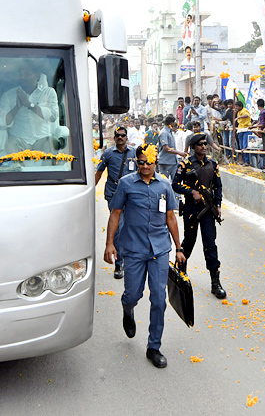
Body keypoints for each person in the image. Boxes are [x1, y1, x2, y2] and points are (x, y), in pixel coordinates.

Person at [103, 144, 185, 369]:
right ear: (136, 162)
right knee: (133, 294)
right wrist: (110, 243)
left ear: (155, 162)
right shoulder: (126, 184)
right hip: (134, 249)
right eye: (141, 161)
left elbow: (171, 217)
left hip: (159, 250)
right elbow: (116, 214)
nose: (145, 165)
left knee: (159, 298)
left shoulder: (165, 185)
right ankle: (126, 308)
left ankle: (154, 346)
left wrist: (178, 248)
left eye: (149, 161)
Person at [172, 133, 227, 300]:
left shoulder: (213, 164)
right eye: (200, 144)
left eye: (205, 144)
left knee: (210, 243)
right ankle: (181, 270)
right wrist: (191, 191)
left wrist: (218, 205)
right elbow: (175, 184)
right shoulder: (185, 164)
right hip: (191, 208)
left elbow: (218, 186)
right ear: (194, 147)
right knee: (189, 240)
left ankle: (215, 282)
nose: (204, 146)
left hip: (208, 209)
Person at [0, 61, 60, 156]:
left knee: (51, 143)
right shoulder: (9, 95)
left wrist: (30, 105)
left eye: (27, 74)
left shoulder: (49, 92)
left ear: (37, 75)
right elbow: (1, 124)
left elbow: (53, 116)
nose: (23, 77)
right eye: (21, 74)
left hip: (42, 139)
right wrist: (17, 108)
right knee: (9, 145)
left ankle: (48, 171)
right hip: (19, 140)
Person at [95, 126, 137, 280]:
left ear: (127, 137)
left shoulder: (134, 153)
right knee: (118, 227)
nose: (120, 138)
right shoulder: (107, 154)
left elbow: (144, 172)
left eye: (123, 135)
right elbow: (98, 173)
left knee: (130, 226)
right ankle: (119, 264)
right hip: (113, 194)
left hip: (131, 195)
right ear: (114, 138)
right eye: (118, 135)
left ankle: (131, 259)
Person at [158, 115, 187, 181]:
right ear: (171, 123)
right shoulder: (164, 132)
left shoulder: (170, 132)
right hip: (166, 162)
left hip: (173, 161)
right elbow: (166, 148)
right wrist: (179, 152)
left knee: (175, 181)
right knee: (164, 181)